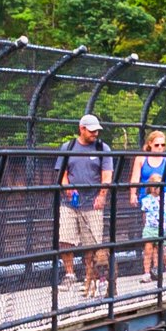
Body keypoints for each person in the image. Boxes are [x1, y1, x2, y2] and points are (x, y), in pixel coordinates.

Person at [55, 114, 113, 295]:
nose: (95, 133)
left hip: (92, 202)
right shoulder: (68, 147)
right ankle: (70, 274)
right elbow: (62, 173)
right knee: (65, 238)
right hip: (69, 203)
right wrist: (67, 188)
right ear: (82, 129)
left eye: (97, 130)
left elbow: (107, 174)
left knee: (91, 243)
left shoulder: (103, 148)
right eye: (91, 130)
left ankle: (90, 277)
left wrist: (102, 195)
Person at [131, 129, 166, 285]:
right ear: (150, 144)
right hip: (148, 201)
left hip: (164, 201)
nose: (160, 148)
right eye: (157, 144)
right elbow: (135, 178)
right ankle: (149, 271)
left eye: (163, 145)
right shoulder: (141, 158)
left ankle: (160, 266)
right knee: (149, 240)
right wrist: (133, 194)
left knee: (158, 244)